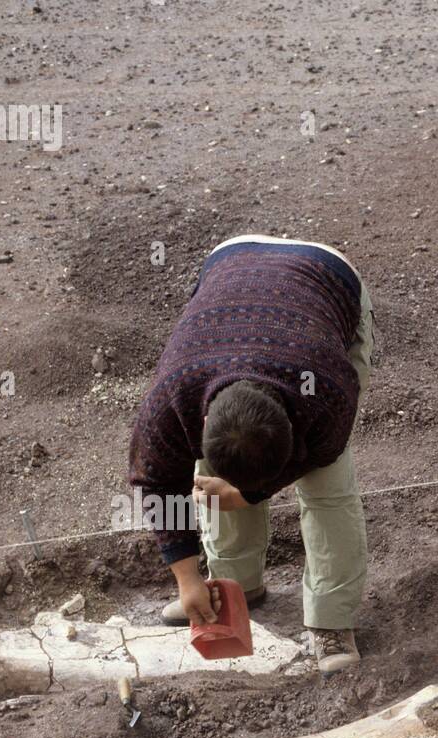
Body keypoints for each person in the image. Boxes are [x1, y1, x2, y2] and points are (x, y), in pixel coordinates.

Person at [129, 233, 374, 673]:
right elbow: (158, 480)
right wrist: (187, 579)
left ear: (294, 426)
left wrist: (251, 494)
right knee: (212, 481)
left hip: (328, 275)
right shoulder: (172, 398)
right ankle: (233, 586)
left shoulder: (325, 390)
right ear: (203, 424)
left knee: (327, 490)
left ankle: (332, 620)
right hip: (231, 260)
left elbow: (322, 452)